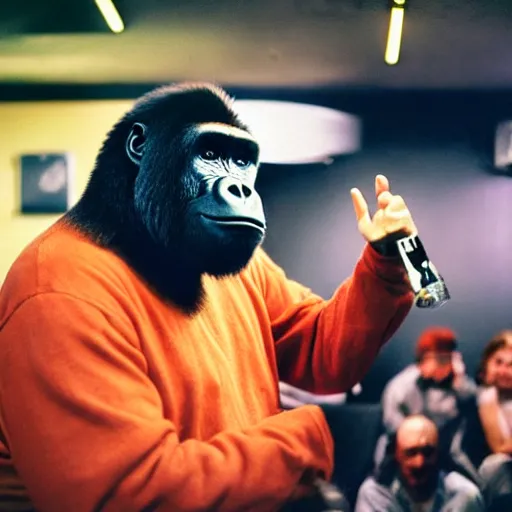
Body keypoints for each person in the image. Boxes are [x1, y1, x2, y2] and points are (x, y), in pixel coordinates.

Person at [0, 82, 416, 512]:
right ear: (141, 148)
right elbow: (132, 494)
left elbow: (320, 351)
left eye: (242, 161)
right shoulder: (59, 290)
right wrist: (300, 441)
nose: (239, 188)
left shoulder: (225, 261)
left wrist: (383, 264)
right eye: (211, 155)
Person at [374, 327, 480, 484]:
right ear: (423, 359)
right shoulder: (402, 386)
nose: (443, 366)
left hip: (447, 452)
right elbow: (391, 423)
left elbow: (474, 404)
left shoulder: (459, 385)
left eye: (448, 359)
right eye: (439, 359)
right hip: (407, 450)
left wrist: (459, 381)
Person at [356, 415, 484, 512]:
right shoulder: (375, 494)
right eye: (410, 453)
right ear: (396, 454)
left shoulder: (463, 495)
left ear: (438, 454)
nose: (419, 463)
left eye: (427, 453)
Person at [476, 330, 512, 508]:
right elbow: (499, 447)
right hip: (502, 472)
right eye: (498, 362)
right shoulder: (486, 397)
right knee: (495, 465)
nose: (504, 370)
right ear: (486, 363)